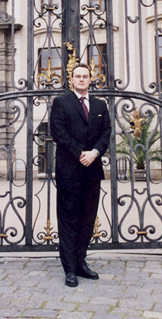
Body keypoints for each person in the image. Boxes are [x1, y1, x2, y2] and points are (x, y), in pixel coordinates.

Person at [50, 63, 111, 287]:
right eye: (78, 76)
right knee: (68, 219)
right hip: (70, 170)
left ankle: (81, 262)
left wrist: (94, 153)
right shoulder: (61, 103)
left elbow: (106, 132)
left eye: (85, 76)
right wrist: (80, 153)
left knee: (87, 219)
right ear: (71, 80)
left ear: (90, 79)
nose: (82, 79)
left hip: (92, 170)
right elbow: (58, 132)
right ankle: (69, 269)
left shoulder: (99, 104)